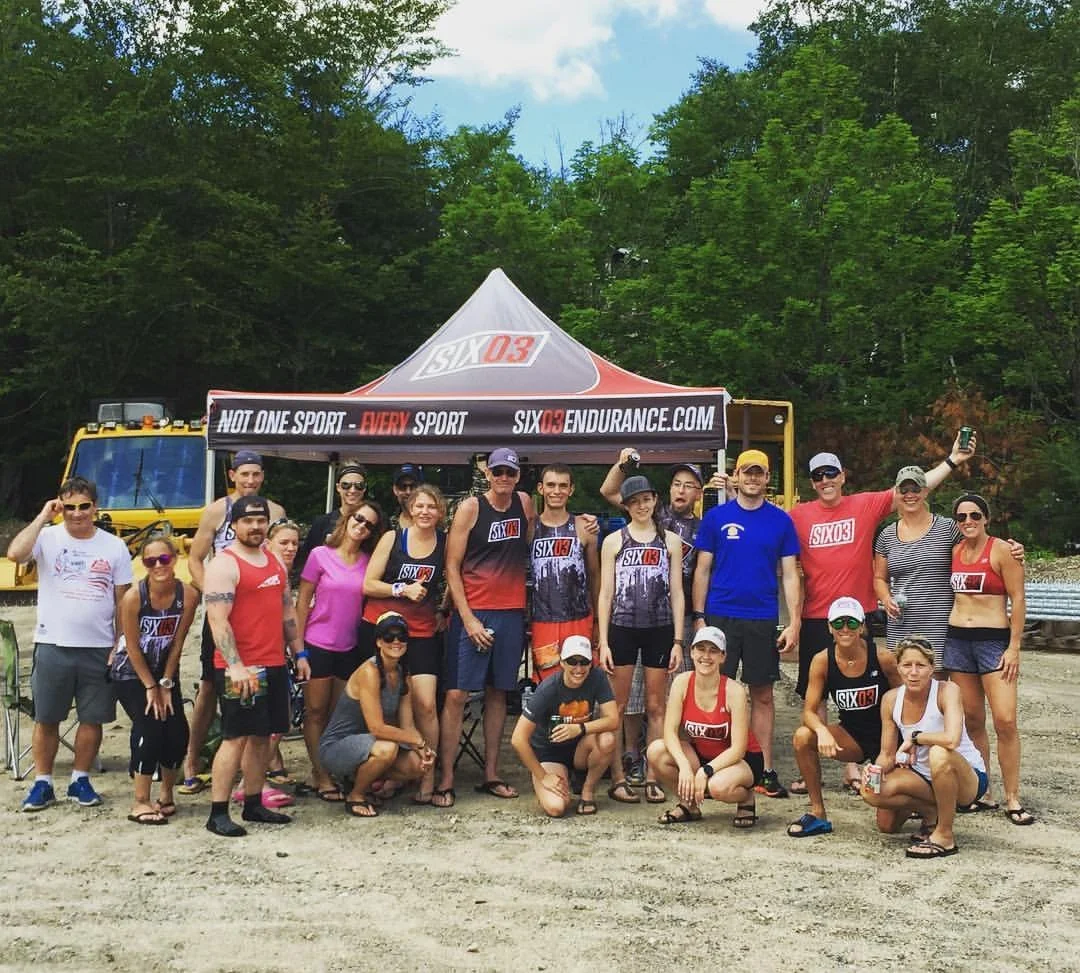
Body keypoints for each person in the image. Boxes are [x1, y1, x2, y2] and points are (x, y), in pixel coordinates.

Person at [788, 435, 975, 793]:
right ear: (812, 482)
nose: (825, 481)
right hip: (817, 615)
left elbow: (914, 489)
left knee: (868, 688)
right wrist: (730, 491)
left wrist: (952, 460)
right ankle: (816, 766)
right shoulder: (799, 515)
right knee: (819, 692)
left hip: (860, 614)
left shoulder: (865, 505)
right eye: (818, 477)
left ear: (843, 475)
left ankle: (866, 761)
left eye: (831, 473)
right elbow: (766, 536)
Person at [8, 477, 133, 811]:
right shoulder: (47, 537)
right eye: (70, 507)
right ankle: (43, 783)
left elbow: (123, 600)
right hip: (53, 643)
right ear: (61, 507)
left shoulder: (114, 546)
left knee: (92, 718)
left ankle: (80, 778)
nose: (77, 514)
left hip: (98, 646)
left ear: (95, 507)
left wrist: (119, 643)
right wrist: (42, 517)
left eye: (84, 506)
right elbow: (15, 554)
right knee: (47, 718)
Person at [600, 453, 724, 784]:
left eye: (690, 486)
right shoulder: (657, 514)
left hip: (673, 616)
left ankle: (664, 756)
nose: (682, 490)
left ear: (699, 493)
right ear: (666, 491)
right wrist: (624, 463)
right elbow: (610, 490)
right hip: (630, 616)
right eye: (677, 484)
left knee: (669, 694)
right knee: (632, 693)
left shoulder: (705, 526)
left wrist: (735, 487)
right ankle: (630, 755)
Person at [692, 448, 800, 799]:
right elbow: (702, 570)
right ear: (735, 476)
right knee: (715, 692)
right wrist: (699, 617)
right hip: (721, 615)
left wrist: (794, 622)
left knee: (762, 695)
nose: (753, 478)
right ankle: (717, 764)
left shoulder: (781, 521)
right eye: (746, 472)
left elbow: (789, 576)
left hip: (761, 617)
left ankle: (764, 770)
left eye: (759, 473)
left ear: (768, 478)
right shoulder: (716, 517)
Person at [202, 496, 310, 837]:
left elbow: (286, 611)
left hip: (274, 662)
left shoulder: (275, 562)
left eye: (260, 520)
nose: (255, 526)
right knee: (235, 737)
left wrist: (300, 652)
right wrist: (235, 666)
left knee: (263, 736)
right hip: (241, 667)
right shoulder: (225, 564)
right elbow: (217, 620)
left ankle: (253, 802)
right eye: (247, 521)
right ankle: (218, 812)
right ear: (233, 524)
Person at [180, 450, 285, 794]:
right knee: (212, 686)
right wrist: (211, 591)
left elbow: (282, 553)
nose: (251, 481)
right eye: (245, 475)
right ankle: (192, 758)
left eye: (256, 474)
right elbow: (195, 558)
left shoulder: (276, 511)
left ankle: (269, 764)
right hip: (225, 612)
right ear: (232, 475)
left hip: (261, 610)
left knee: (266, 689)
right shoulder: (217, 511)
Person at [436, 447, 535, 808]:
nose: (504, 478)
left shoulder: (525, 503)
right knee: (458, 694)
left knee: (498, 692)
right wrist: (467, 617)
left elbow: (528, 545)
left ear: (517, 476)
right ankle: (446, 777)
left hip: (511, 611)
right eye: (498, 473)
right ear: (488, 474)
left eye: (510, 472)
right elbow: (452, 566)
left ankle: (491, 773)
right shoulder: (471, 508)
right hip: (475, 611)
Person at [945, 493, 1032, 824]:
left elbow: (1018, 598)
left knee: (1005, 720)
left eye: (975, 515)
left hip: (993, 641)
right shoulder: (953, 551)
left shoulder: (1002, 551)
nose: (968, 521)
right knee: (972, 719)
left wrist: (1014, 647)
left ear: (986, 518)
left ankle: (1013, 797)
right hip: (958, 641)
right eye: (962, 517)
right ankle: (984, 790)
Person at [598, 475, 684, 805]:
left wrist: (678, 640)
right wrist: (603, 641)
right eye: (634, 502)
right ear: (626, 506)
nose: (642, 506)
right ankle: (618, 776)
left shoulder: (670, 541)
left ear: (654, 500)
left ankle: (653, 775)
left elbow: (677, 593)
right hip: (622, 627)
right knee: (617, 706)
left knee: (656, 705)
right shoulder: (614, 541)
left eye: (646, 499)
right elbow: (605, 594)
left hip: (659, 629)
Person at [860, 637, 988, 859]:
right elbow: (887, 754)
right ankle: (931, 811)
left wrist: (917, 738)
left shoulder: (947, 690)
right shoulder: (891, 699)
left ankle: (945, 836)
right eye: (907, 665)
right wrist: (874, 773)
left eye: (920, 665)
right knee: (877, 804)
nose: (913, 672)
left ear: (931, 668)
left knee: (939, 752)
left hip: (965, 776)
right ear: (898, 667)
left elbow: (951, 740)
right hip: (922, 775)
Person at [362, 484, 447, 804]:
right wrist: (402, 589)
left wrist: (444, 608)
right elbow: (368, 583)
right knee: (385, 706)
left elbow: (453, 576)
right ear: (410, 509)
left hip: (422, 631)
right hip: (384, 629)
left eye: (432, 507)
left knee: (425, 704)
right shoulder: (392, 538)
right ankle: (390, 773)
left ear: (440, 513)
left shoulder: (444, 542)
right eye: (420, 506)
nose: (425, 512)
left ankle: (427, 776)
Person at [787, 597, 900, 838]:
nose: (845, 629)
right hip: (853, 737)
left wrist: (900, 750)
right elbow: (809, 711)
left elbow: (906, 704)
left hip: (889, 738)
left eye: (851, 622)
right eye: (838, 623)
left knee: (888, 826)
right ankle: (818, 813)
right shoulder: (822, 660)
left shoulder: (883, 658)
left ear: (861, 626)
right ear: (829, 627)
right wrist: (823, 730)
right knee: (803, 736)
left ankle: (925, 805)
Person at [295, 500, 383, 801]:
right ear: (347, 518)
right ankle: (320, 774)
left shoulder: (369, 561)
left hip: (349, 646)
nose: (362, 525)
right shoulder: (320, 555)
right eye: (359, 518)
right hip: (317, 643)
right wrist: (297, 648)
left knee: (337, 715)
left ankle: (334, 768)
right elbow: (302, 601)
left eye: (370, 524)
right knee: (315, 711)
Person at [110, 536, 197, 824]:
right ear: (143, 564)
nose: (158, 565)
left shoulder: (188, 595)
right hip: (131, 670)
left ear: (174, 558)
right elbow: (131, 647)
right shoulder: (135, 597)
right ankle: (140, 800)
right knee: (150, 725)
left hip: (163, 670)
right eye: (150, 561)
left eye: (164, 559)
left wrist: (167, 683)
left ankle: (167, 794)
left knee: (177, 730)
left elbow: (178, 642)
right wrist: (150, 686)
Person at [318, 612, 434, 818]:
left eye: (401, 637)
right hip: (338, 746)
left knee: (417, 766)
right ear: (379, 642)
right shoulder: (369, 671)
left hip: (369, 743)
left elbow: (407, 726)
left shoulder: (403, 675)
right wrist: (416, 740)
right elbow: (377, 727)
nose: (396, 642)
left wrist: (422, 748)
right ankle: (356, 795)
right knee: (387, 748)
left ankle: (364, 783)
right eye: (389, 637)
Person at [645, 627, 763, 827]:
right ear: (691, 652)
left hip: (741, 759)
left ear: (723, 656)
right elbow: (670, 732)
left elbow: (738, 748)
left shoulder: (734, 692)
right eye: (700, 649)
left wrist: (705, 771)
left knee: (718, 787)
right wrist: (683, 766)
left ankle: (746, 798)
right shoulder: (682, 683)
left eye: (713, 650)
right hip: (702, 754)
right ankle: (688, 805)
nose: (706, 656)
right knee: (656, 750)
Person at [511, 636, 619, 816]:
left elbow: (613, 720)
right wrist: (543, 776)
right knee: (556, 808)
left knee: (608, 739)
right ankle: (552, 779)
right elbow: (518, 739)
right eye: (572, 662)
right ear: (562, 662)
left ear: (591, 663)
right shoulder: (548, 689)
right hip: (550, 752)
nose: (578, 668)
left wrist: (580, 729)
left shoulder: (597, 677)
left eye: (584, 662)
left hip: (579, 746)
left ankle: (587, 791)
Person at [530, 464, 600, 681]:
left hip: (578, 618)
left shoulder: (583, 527)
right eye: (551, 485)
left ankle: (583, 717)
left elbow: (595, 575)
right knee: (548, 683)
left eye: (563, 486)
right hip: (543, 620)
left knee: (579, 678)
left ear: (571, 490)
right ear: (541, 488)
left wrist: (597, 620)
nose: (556, 491)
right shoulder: (530, 528)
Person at [264, 518, 301, 788]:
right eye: (283, 543)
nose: (290, 548)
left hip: (278, 654)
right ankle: (250, 784)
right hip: (258, 657)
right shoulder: (266, 571)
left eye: (294, 544)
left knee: (280, 721)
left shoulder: (282, 573)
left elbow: (288, 619)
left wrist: (298, 654)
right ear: (268, 544)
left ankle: (260, 776)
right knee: (267, 725)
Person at [295, 463, 368, 575]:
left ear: (364, 488)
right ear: (338, 487)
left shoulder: (374, 521)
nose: (352, 490)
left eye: (359, 485)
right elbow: (307, 563)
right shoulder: (322, 523)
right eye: (346, 485)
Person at [388, 464, 423, 530]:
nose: (408, 492)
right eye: (402, 486)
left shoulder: (435, 522)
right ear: (395, 490)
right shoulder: (388, 525)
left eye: (413, 486)